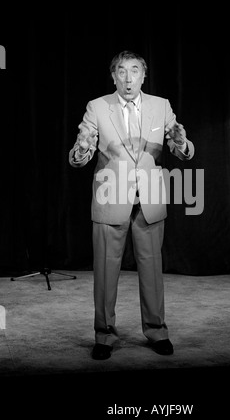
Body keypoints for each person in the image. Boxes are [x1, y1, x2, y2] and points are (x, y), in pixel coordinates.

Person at [69, 51, 195, 360]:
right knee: (105, 272)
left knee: (152, 271)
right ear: (113, 77)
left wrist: (180, 141)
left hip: (149, 201)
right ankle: (104, 335)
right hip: (110, 199)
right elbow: (77, 158)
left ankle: (156, 330)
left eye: (134, 71)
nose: (128, 78)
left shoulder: (160, 106)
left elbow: (183, 152)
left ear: (143, 76)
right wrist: (83, 147)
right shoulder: (97, 107)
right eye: (122, 72)